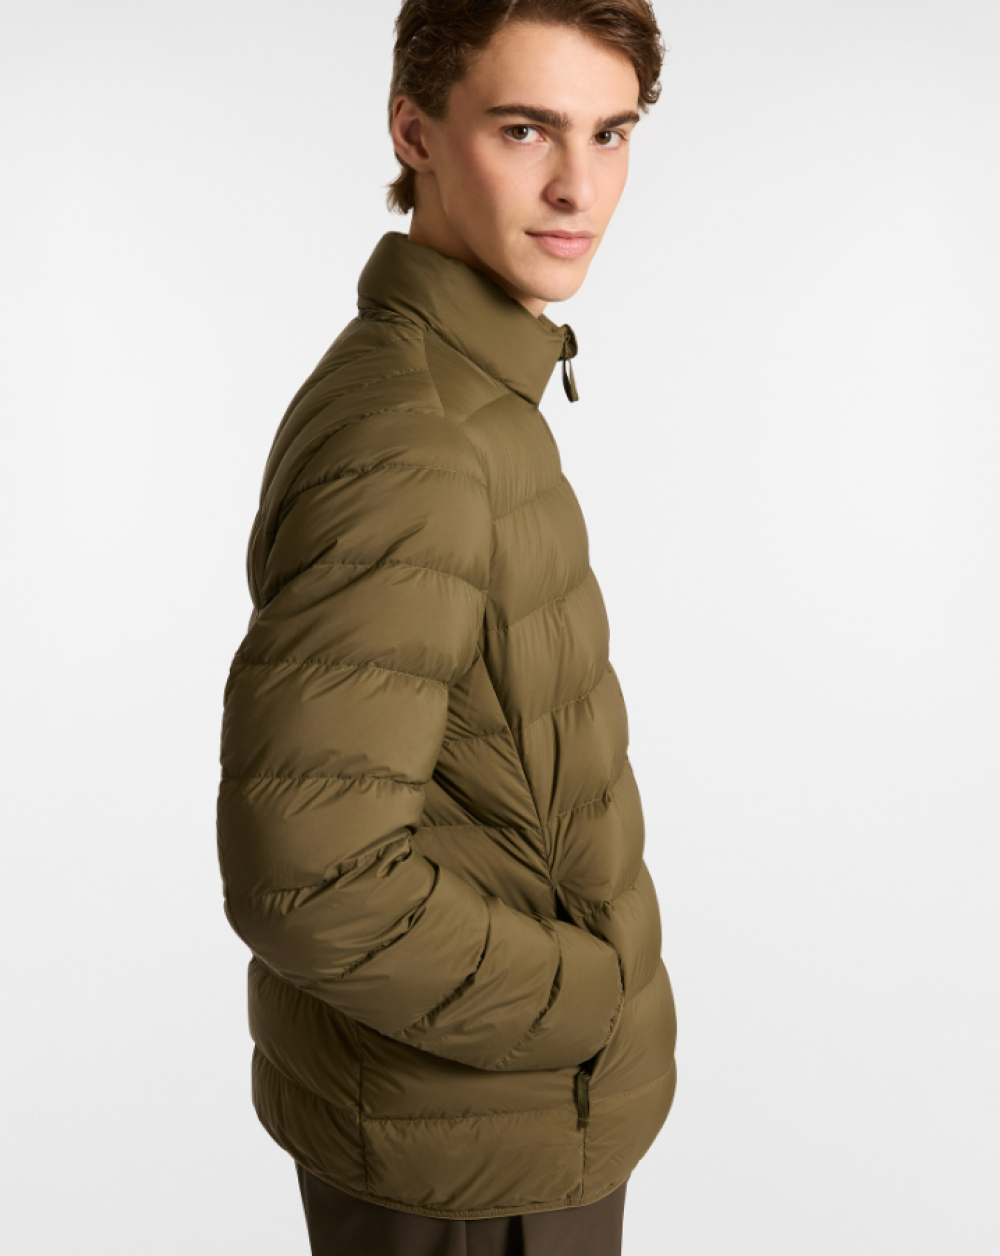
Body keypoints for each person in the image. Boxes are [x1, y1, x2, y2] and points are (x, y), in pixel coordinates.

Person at [215, 2, 677, 1251]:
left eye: (610, 133)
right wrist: (585, 998)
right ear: (413, 131)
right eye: (525, 130)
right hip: (474, 1155)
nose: (579, 186)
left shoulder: (473, 389)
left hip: (492, 1126)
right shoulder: (414, 435)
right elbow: (308, 876)